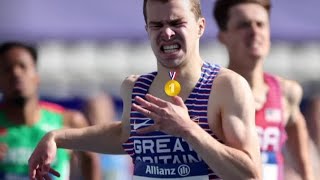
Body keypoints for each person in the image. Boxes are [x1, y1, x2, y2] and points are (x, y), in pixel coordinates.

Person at [29, 0, 262, 179]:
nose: (167, 33)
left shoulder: (226, 86)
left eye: (176, 23)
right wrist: (57, 137)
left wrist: (190, 130)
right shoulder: (135, 88)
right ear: (147, 29)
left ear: (200, 27)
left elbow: (250, 175)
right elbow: (124, 136)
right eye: (157, 25)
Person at [212, 0, 314, 180]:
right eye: (243, 25)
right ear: (223, 36)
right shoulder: (210, 91)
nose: (254, 32)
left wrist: (307, 175)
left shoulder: (286, 92)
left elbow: (296, 127)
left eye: (261, 24)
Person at [0, 41, 101, 180]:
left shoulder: (69, 121)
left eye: (23, 66)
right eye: (7, 69)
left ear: (36, 76)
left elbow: (89, 158)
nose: (16, 73)